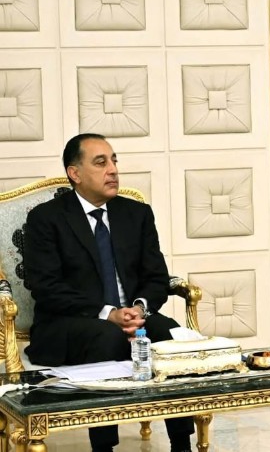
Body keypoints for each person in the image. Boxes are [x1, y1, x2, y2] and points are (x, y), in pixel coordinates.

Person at [23, 133, 195, 452]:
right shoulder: (46, 219)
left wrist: (139, 309)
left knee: (169, 334)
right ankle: (103, 447)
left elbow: (156, 277)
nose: (113, 170)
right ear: (75, 173)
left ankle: (182, 443)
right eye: (100, 163)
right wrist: (108, 313)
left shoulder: (136, 214)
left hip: (131, 317)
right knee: (107, 335)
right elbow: (46, 287)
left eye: (114, 161)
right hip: (68, 324)